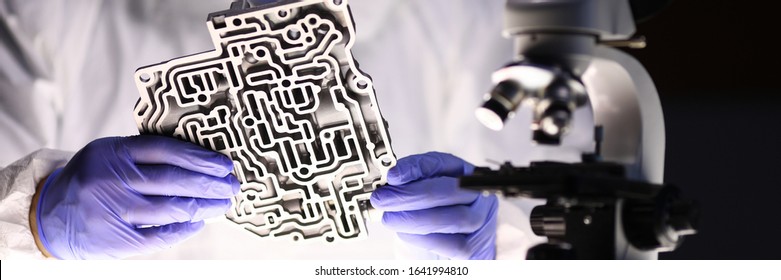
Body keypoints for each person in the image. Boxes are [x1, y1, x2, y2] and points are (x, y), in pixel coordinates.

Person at [1, 0, 596, 260]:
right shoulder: (51, 13)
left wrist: (501, 249)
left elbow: (579, 232)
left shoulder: (465, 14)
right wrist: (36, 218)